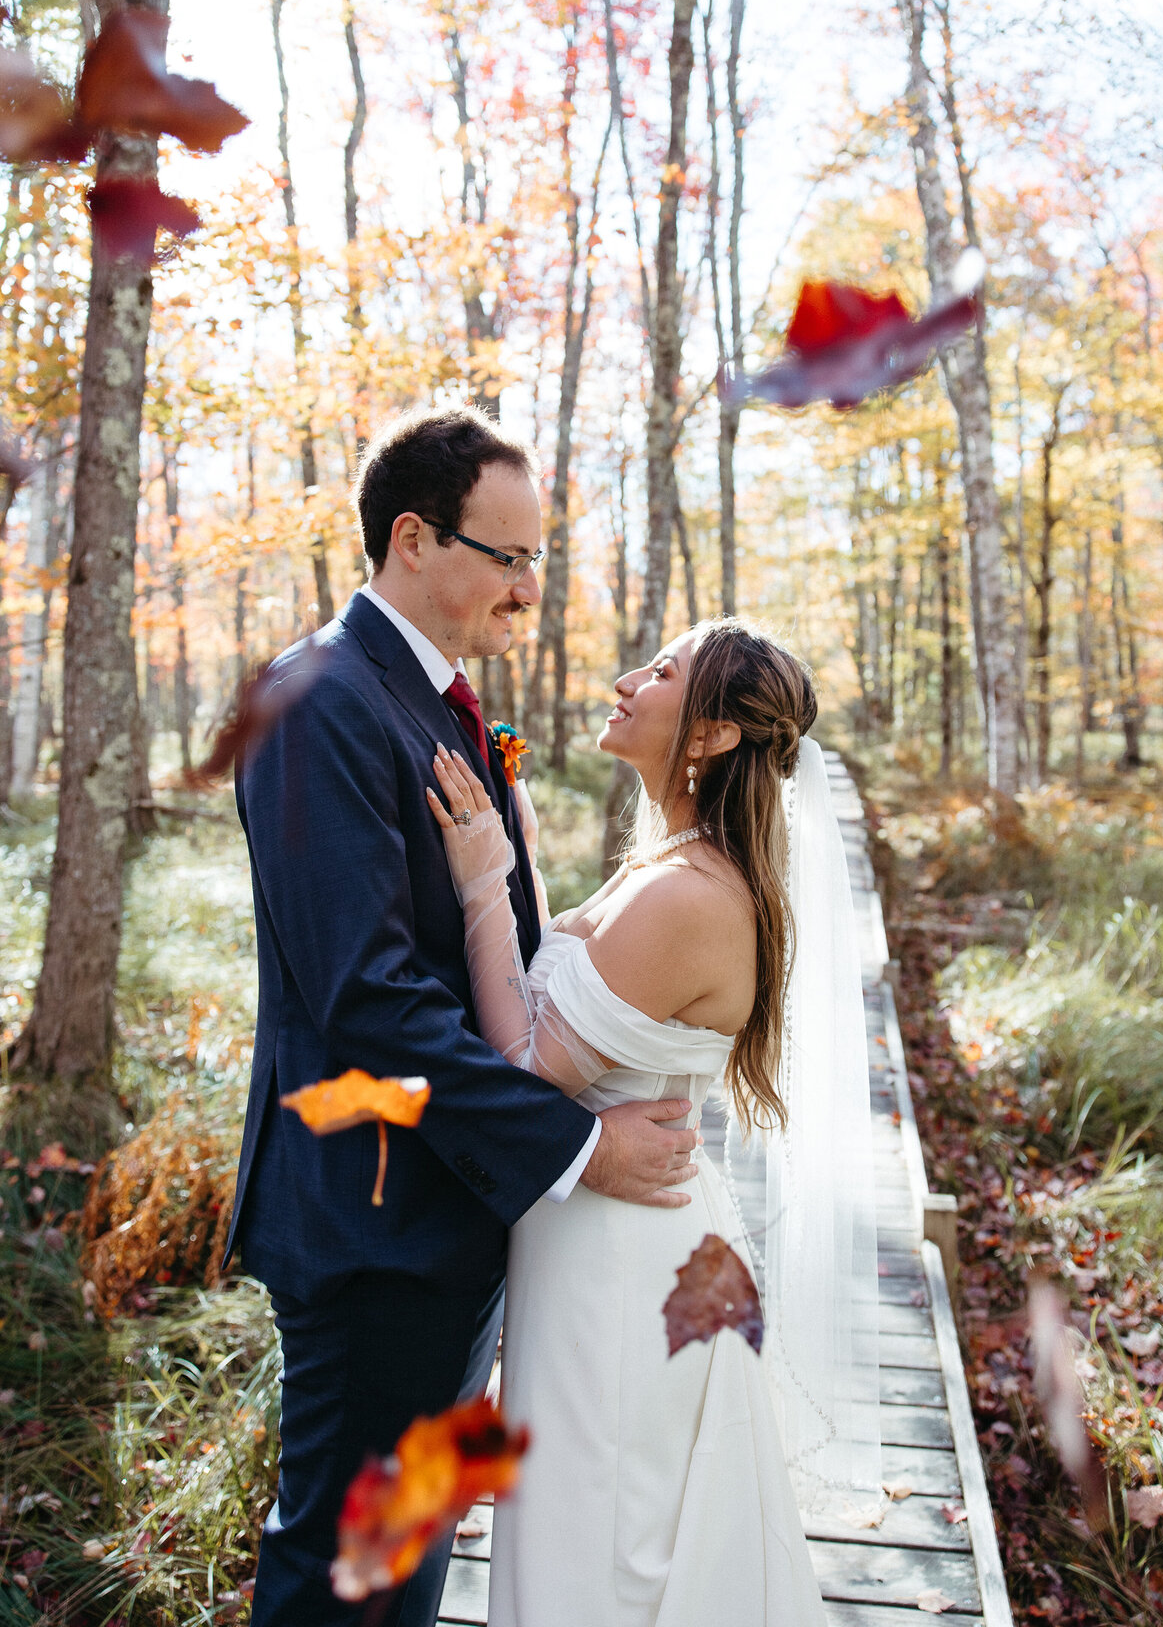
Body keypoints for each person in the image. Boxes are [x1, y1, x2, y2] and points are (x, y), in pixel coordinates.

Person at [226, 404, 702, 1627]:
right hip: (369, 1216)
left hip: (455, 1208)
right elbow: (368, 998)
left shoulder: (438, 704)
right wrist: (581, 1146)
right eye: (510, 559)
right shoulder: (322, 699)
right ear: (412, 541)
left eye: (537, 559)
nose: (529, 592)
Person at [428, 616, 867, 1627]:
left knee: (605, 1544)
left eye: (663, 671)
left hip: (626, 1266)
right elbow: (560, 990)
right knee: (605, 1526)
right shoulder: (674, 867)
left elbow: (524, 1072)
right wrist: (524, 857)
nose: (630, 677)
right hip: (611, 1239)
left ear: (710, 735)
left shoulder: (687, 896)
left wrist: (483, 880)